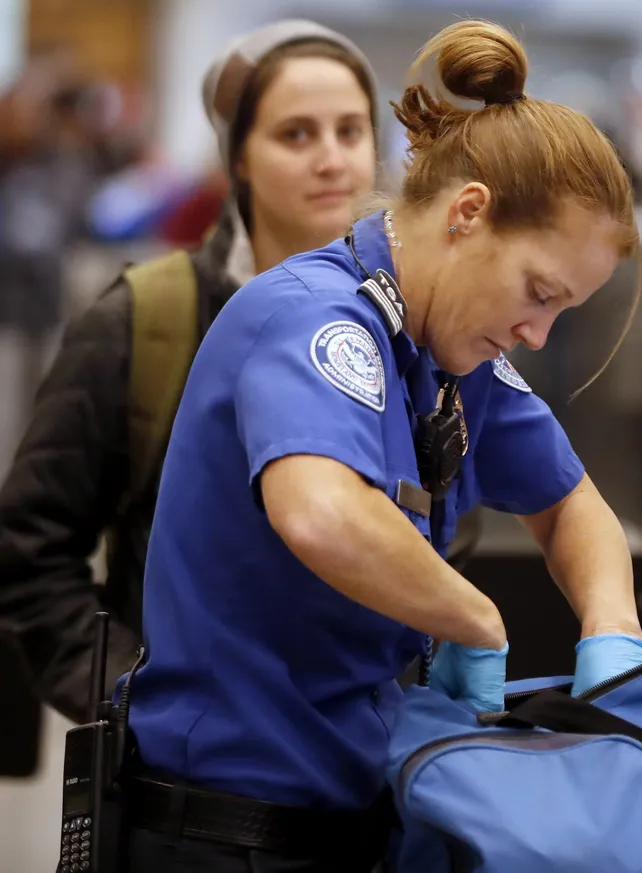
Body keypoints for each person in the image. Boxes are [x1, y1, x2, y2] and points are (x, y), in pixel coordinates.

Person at [120, 18, 642, 873]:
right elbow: (322, 514)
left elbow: (571, 505)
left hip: (355, 817)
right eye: (538, 292)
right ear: (468, 214)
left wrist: (613, 639)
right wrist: (474, 620)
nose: (540, 333)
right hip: (226, 834)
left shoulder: (449, 354)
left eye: (563, 311)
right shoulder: (309, 319)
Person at [0, 19, 383, 725]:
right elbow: (30, 551)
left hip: (358, 770)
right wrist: (135, 700)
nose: (332, 160)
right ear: (238, 157)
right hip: (181, 796)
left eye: (351, 132)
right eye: (296, 134)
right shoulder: (149, 319)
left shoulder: (408, 329)